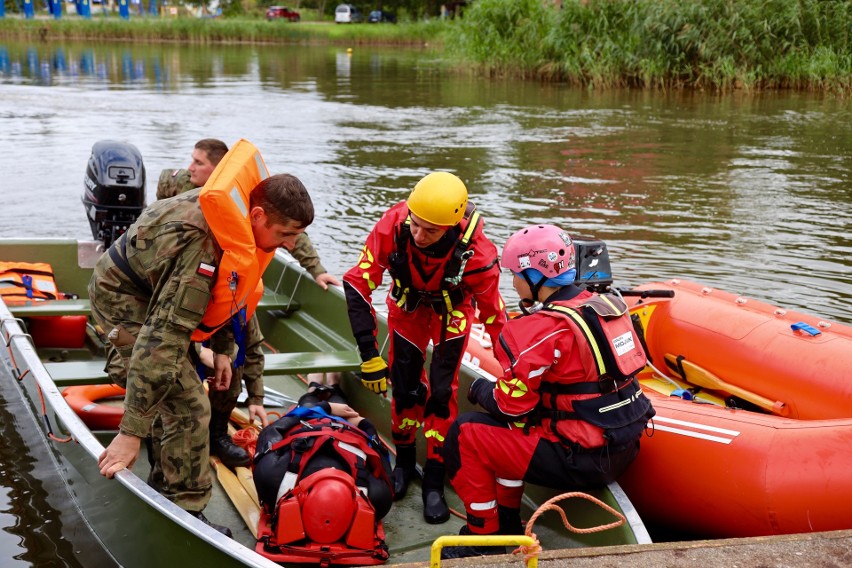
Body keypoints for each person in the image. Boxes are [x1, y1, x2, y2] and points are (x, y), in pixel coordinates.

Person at [90, 172, 315, 537]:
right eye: (285, 235)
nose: (290, 244)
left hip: (158, 287)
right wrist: (129, 432)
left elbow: (230, 284)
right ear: (257, 216)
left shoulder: (238, 220)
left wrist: (224, 348)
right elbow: (162, 340)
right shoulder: (200, 249)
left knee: (179, 389)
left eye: (296, 236)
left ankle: (164, 483)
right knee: (190, 403)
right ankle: (186, 513)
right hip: (123, 299)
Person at [441, 224, 655, 559]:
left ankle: (482, 536)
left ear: (534, 276)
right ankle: (510, 521)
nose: (513, 282)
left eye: (515, 274)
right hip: (624, 448)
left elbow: (509, 404)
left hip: (581, 460)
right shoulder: (606, 307)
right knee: (517, 424)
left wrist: (482, 389)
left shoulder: (540, 329)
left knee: (466, 433)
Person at [157, 139, 341, 468]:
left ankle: (216, 433)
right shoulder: (177, 186)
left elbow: (291, 231)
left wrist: (317, 271)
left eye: (200, 163)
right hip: (186, 282)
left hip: (230, 284)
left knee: (237, 352)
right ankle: (165, 430)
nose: (191, 168)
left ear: (216, 170)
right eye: (192, 161)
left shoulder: (251, 204)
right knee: (173, 362)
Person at [342, 171, 507, 524]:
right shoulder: (394, 224)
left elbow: (494, 314)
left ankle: (434, 475)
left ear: (452, 226)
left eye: (429, 231)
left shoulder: (477, 254)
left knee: (442, 391)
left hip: (452, 314)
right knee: (404, 387)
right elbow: (357, 282)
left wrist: (512, 369)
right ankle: (403, 460)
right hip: (407, 310)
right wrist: (368, 354)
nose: (418, 235)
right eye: (415, 225)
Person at [252, 376, 393, 565]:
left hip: (310, 421)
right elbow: (381, 455)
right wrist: (362, 423)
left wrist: (326, 409)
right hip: (344, 427)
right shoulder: (377, 499)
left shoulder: (272, 479)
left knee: (310, 401)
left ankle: (315, 388)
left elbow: (273, 430)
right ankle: (331, 384)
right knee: (343, 406)